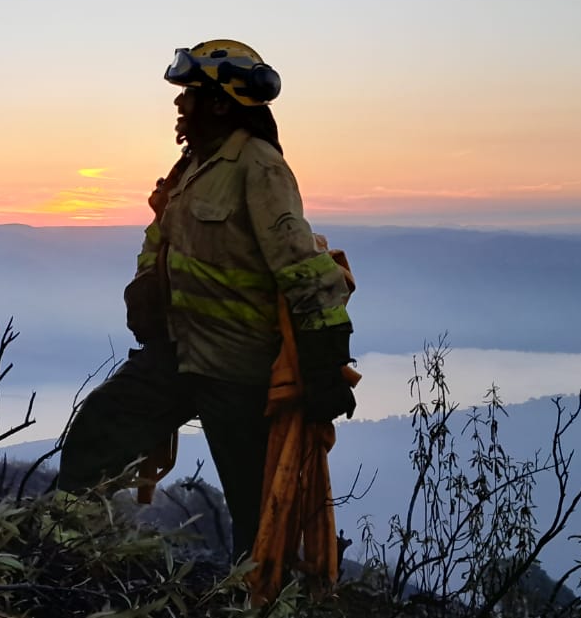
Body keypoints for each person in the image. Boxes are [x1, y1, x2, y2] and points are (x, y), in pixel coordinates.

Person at [55, 39, 357, 561]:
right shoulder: (194, 166)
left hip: (239, 370)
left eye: (190, 94)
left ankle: (263, 596)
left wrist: (326, 360)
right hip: (180, 353)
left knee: (256, 507)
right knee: (98, 431)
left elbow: (302, 267)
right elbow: (163, 238)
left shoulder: (259, 168)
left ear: (220, 103)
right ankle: (63, 551)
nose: (179, 105)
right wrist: (146, 288)